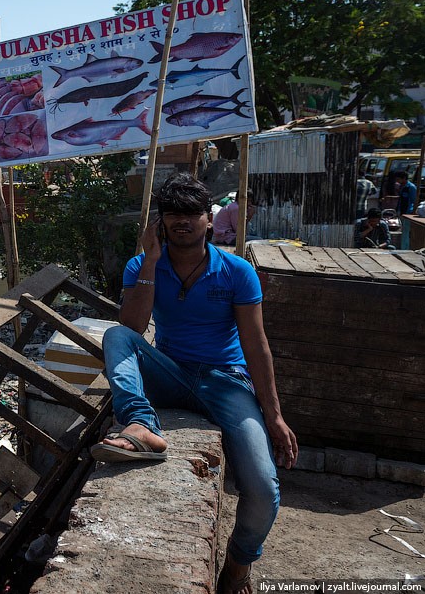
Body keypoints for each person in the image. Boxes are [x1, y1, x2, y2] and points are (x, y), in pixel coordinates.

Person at [91, 173, 296, 594]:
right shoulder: (141, 265)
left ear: (209, 219)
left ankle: (239, 566)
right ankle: (141, 425)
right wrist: (149, 262)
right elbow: (132, 328)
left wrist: (273, 415)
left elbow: (256, 346)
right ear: (160, 221)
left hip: (225, 382)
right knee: (114, 335)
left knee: (262, 483)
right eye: (172, 215)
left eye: (191, 214)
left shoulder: (237, 272)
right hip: (169, 371)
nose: (181, 222)